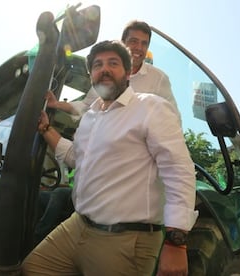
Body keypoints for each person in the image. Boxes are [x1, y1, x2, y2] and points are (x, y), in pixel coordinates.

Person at [21, 40, 197, 275]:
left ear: (127, 73)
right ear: (92, 75)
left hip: (125, 238)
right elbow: (76, 158)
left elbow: (178, 170)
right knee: (32, 269)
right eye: (97, 65)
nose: (104, 69)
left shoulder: (151, 107)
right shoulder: (90, 116)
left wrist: (176, 242)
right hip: (78, 225)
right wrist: (45, 129)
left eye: (113, 63)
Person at [46, 20, 180, 120]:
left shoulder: (158, 78)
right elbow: (85, 107)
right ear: (122, 44)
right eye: (133, 41)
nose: (139, 47)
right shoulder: (106, 77)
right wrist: (56, 104)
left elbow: (172, 118)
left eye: (144, 43)